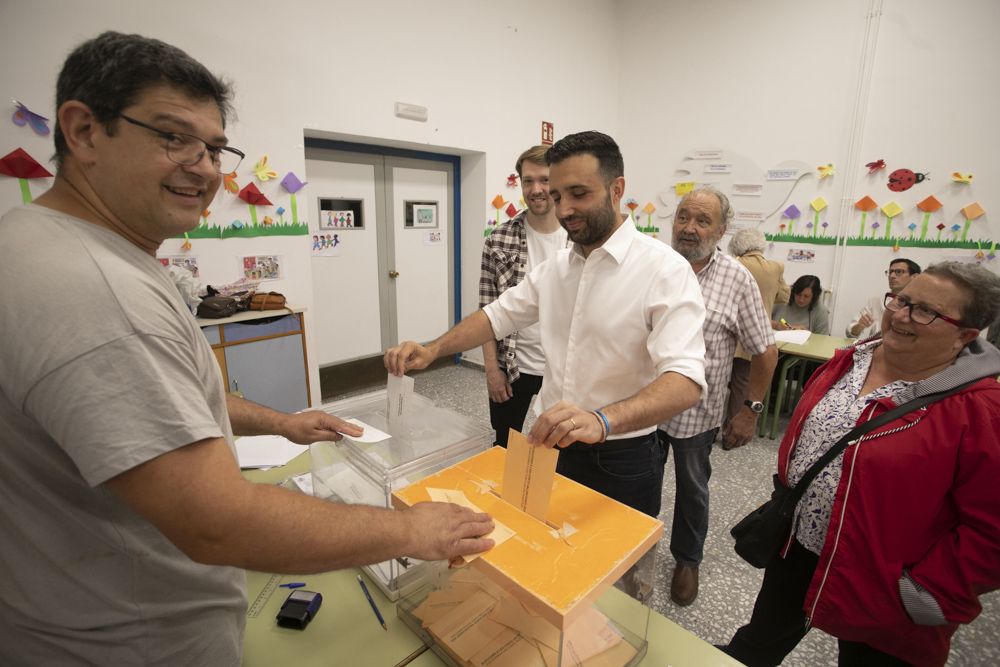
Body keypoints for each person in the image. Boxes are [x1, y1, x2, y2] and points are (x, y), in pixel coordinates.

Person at [0, 32, 493, 665]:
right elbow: (217, 521)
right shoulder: (99, 291)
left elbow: (158, 405)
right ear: (84, 130)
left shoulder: (42, 239)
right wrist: (407, 530)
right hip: (135, 638)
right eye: (173, 136)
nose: (203, 167)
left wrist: (279, 422)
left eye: (214, 147)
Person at [385, 131, 707, 521]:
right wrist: (434, 348)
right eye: (557, 196)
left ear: (616, 188)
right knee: (539, 545)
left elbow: (685, 379)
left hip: (620, 456)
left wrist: (601, 420)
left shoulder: (664, 270)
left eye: (578, 193)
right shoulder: (557, 268)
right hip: (548, 443)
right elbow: (497, 316)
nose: (564, 208)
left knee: (614, 574)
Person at [720, 261, 1000, 667]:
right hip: (800, 547)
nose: (900, 315)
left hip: (884, 585)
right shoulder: (852, 360)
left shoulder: (980, 410)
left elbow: (993, 532)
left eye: (924, 311)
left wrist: (926, 591)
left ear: (965, 335)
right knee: (757, 645)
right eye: (902, 300)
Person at [658, 189, 777, 606]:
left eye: (702, 221)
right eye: (683, 217)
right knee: (638, 486)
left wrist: (750, 411)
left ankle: (687, 560)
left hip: (698, 414)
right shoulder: (654, 265)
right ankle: (631, 548)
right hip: (644, 408)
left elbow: (765, 350)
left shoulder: (737, 278)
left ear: (722, 230)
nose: (689, 228)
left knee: (693, 489)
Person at [479, 145, 567, 446]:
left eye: (544, 180)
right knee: (504, 443)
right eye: (528, 181)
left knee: (562, 449)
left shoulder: (579, 239)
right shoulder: (500, 240)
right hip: (513, 365)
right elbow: (487, 311)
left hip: (565, 369)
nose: (536, 189)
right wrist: (492, 369)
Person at [725, 228, 789, 424]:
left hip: (729, 334)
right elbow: (784, 297)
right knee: (742, 384)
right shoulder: (776, 267)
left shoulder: (734, 264)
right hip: (757, 335)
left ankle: (709, 430)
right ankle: (731, 430)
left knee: (719, 382)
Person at [847, 258, 921, 339]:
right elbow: (850, 333)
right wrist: (859, 326)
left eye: (899, 272)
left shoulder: (922, 306)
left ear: (915, 277)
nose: (892, 276)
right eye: (890, 272)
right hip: (876, 349)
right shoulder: (875, 301)